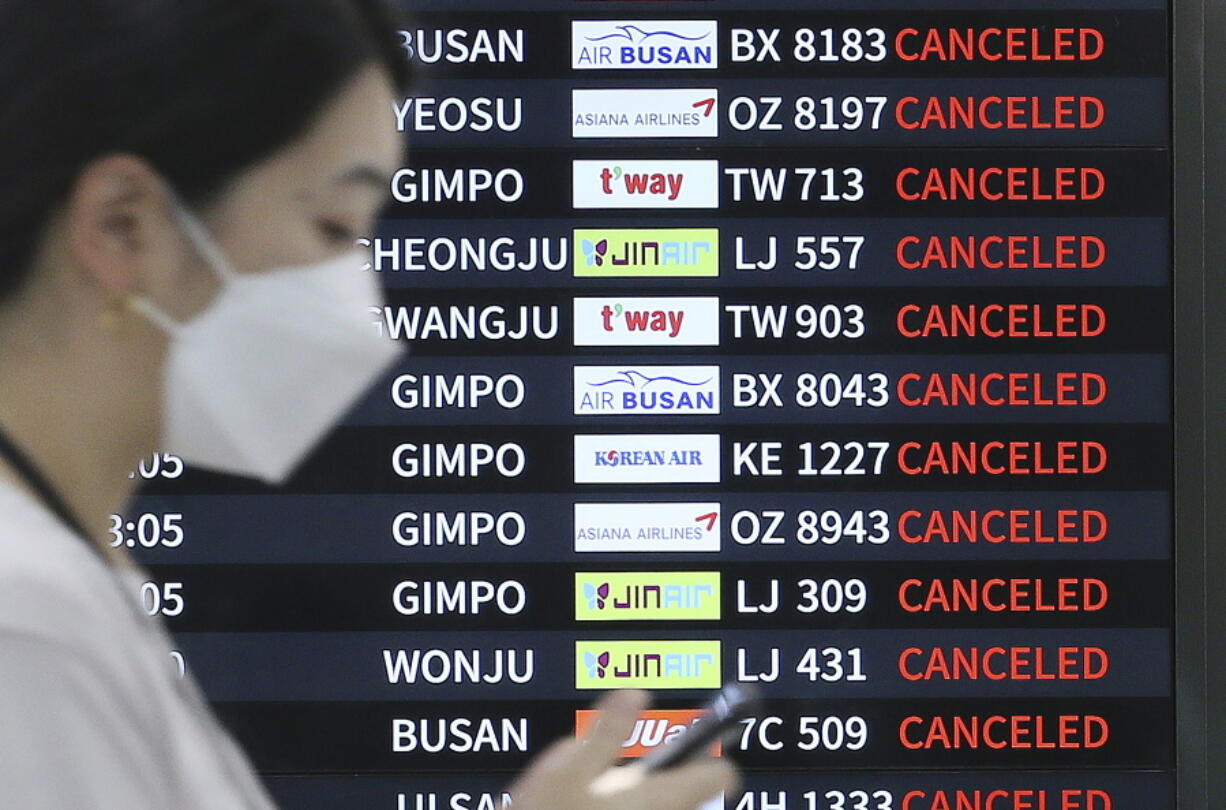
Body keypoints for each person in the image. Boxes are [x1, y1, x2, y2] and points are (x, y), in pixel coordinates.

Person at [0, 1, 740, 807]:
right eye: (333, 225)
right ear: (123, 225)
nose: (362, 301)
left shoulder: (71, 589)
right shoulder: (27, 623)